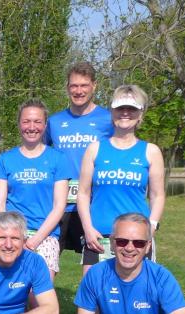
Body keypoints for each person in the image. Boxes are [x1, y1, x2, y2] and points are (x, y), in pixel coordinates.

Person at [77, 85, 165, 269]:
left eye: (131, 109)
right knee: (94, 287)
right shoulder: (94, 149)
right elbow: (83, 193)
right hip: (98, 237)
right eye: (120, 108)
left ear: (140, 114)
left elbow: (157, 195)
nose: (125, 113)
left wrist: (151, 227)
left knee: (138, 287)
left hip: (137, 239)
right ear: (112, 112)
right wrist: (87, 228)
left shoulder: (151, 151)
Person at [0, 99, 73, 279]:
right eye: (26, 121)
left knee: (39, 292)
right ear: (19, 124)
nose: (31, 127)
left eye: (37, 121)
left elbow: (59, 206)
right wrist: (13, 235)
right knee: (9, 289)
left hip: (45, 236)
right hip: (11, 234)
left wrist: (34, 240)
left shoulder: (58, 158)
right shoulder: (5, 159)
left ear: (45, 125)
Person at [46, 61, 114, 256]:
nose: (78, 91)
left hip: (94, 204)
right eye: (74, 85)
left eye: (84, 85)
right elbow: (41, 154)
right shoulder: (54, 122)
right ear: (67, 87)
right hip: (60, 204)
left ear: (94, 86)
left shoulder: (108, 119)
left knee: (97, 260)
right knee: (47, 258)